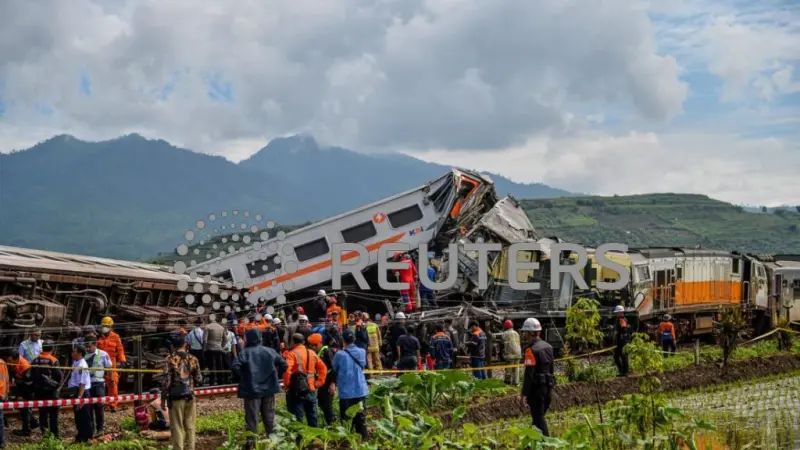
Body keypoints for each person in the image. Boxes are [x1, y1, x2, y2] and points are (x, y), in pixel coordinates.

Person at [232, 328, 287, 447]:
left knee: (252, 418)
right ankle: (274, 443)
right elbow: (284, 364)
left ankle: (252, 444)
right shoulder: (270, 351)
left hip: (252, 390)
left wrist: (243, 378)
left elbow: (235, 366)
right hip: (269, 389)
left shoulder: (244, 353)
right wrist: (275, 375)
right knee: (270, 417)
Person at [162, 331, 202, 450]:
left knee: (177, 427)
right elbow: (199, 379)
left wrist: (163, 398)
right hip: (190, 395)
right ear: (185, 344)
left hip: (176, 397)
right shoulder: (193, 358)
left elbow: (166, 382)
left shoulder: (170, 359)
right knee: (190, 426)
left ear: (173, 346)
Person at [520, 317, 555, 437]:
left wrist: (524, 394)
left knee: (538, 417)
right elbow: (551, 369)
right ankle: (532, 442)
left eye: (525, 332)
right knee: (537, 418)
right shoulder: (548, 347)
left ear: (530, 333)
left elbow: (529, 375)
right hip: (548, 387)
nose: (524, 334)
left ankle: (547, 443)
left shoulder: (530, 350)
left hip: (536, 390)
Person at [283, 333, 327, 427]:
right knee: (312, 415)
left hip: (296, 390)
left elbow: (287, 371)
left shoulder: (292, 354)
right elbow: (323, 368)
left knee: (297, 417)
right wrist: (319, 382)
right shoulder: (312, 353)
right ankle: (314, 437)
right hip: (311, 388)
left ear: (293, 342)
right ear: (303, 342)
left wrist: (287, 384)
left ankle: (299, 439)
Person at [332, 329, 369, 440]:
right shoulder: (362, 351)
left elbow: (334, 368)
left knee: (346, 417)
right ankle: (363, 439)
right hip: (360, 389)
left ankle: (348, 439)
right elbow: (364, 364)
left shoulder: (339, 354)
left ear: (343, 340)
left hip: (346, 391)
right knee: (361, 416)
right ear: (354, 339)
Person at [30, 340, 62, 439]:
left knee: (42, 414)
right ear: (52, 349)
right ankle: (55, 436)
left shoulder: (35, 360)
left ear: (42, 348)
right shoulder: (53, 360)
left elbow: (32, 375)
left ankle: (45, 436)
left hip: (39, 391)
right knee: (53, 415)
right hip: (51, 392)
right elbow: (58, 377)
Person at [84, 337, 113, 436]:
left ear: (95, 345)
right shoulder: (84, 355)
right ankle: (91, 429)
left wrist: (111, 379)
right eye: (86, 346)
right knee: (88, 407)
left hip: (98, 383)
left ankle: (100, 428)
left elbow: (109, 367)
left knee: (99, 406)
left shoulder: (103, 354)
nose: (87, 349)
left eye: (89, 346)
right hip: (87, 384)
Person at [307, 333, 337, 426]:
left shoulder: (327, 352)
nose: (313, 347)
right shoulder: (314, 353)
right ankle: (328, 424)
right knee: (322, 405)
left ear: (320, 343)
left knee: (328, 406)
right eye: (311, 345)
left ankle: (332, 425)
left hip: (327, 383)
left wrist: (333, 383)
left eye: (314, 345)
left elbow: (334, 369)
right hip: (319, 384)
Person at [98, 316, 126, 411]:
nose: (104, 327)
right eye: (103, 326)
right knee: (99, 384)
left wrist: (122, 360)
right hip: (100, 365)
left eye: (106, 326)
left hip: (111, 365)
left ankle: (113, 405)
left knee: (112, 384)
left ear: (111, 327)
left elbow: (120, 349)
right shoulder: (98, 337)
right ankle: (99, 404)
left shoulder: (116, 337)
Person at [68, 345, 93, 443]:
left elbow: (82, 383)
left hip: (82, 392)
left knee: (84, 416)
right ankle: (80, 435)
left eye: (74, 352)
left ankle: (86, 437)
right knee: (78, 416)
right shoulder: (75, 362)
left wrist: (79, 397)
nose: (72, 353)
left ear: (80, 354)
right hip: (76, 391)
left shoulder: (82, 365)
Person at [203, 316, 227, 386]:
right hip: (219, 349)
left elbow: (205, 340)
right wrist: (221, 346)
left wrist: (204, 349)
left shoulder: (207, 327)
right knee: (220, 365)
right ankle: (221, 382)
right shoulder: (221, 327)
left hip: (210, 349)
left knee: (212, 366)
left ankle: (212, 382)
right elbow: (225, 340)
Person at [502, 320, 522, 385]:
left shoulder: (505, 333)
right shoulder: (516, 333)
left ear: (505, 326)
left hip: (510, 354)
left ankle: (507, 382)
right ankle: (516, 383)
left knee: (508, 369)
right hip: (518, 353)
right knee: (516, 369)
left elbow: (502, 340)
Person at [613, 305, 630, 376]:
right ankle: (622, 371)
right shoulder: (619, 319)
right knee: (616, 356)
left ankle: (625, 372)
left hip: (622, 341)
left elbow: (624, 330)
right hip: (619, 341)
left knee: (624, 357)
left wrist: (618, 332)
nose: (616, 314)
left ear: (621, 312)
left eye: (617, 312)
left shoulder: (622, 320)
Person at [0, 349, 9, 449]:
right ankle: (1, 441)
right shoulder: (2, 362)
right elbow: (6, 379)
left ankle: (1, 441)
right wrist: (6, 393)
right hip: (2, 393)